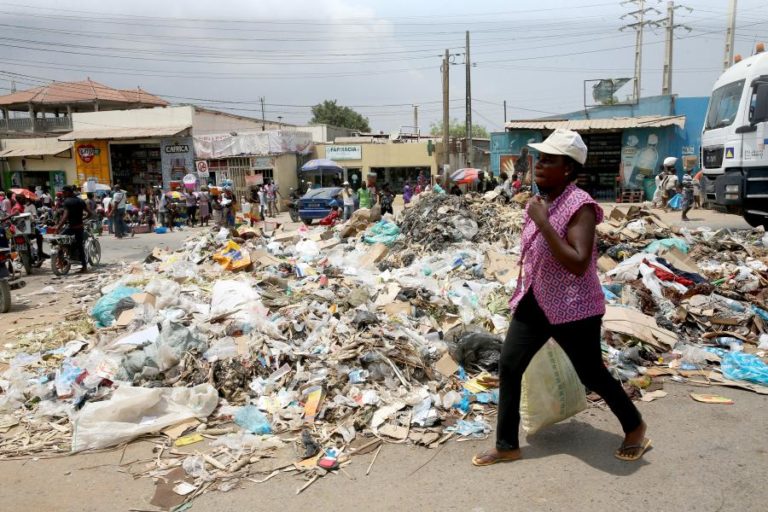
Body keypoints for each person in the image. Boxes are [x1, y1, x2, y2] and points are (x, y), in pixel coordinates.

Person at [472, 129, 648, 467]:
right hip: (535, 299)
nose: (539, 164)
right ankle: (507, 444)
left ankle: (635, 426)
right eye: (539, 158)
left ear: (567, 168)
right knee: (509, 365)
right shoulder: (542, 202)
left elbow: (579, 262)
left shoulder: (580, 206)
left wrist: (544, 224)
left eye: (548, 160)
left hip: (574, 307)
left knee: (591, 374)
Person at [55, 186, 92, 273]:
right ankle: (84, 267)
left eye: (64, 192)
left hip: (71, 227)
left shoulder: (67, 202)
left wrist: (58, 227)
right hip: (79, 227)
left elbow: (65, 216)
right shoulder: (80, 201)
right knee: (80, 247)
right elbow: (90, 213)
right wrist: (82, 219)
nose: (63, 194)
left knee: (60, 241)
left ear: (68, 192)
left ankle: (61, 261)